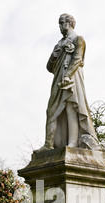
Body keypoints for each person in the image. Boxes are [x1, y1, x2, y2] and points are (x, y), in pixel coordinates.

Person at [36, 13, 99, 152]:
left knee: (71, 107)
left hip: (72, 77)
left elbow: (77, 59)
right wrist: (54, 55)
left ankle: (72, 142)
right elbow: (49, 67)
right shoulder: (58, 44)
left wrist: (68, 76)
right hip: (58, 79)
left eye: (61, 23)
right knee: (51, 110)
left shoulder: (78, 39)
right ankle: (49, 144)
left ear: (68, 23)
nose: (59, 26)